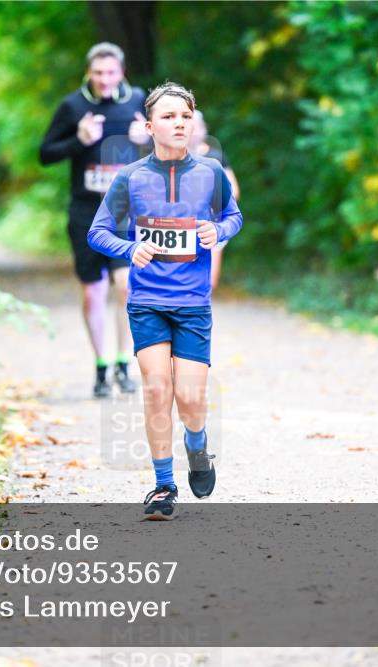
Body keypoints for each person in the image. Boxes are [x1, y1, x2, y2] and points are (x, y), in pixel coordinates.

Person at [87, 83, 243, 519]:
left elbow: (233, 216)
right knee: (157, 388)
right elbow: (98, 231)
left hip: (192, 303)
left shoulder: (210, 172)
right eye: (169, 116)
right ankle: (162, 485)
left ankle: (197, 443)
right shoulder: (130, 177)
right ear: (149, 126)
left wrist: (219, 230)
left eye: (185, 116)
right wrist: (129, 248)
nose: (179, 124)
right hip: (147, 301)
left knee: (190, 399)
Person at [40, 42, 151, 398]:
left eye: (111, 73)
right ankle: (101, 366)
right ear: (89, 72)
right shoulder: (73, 106)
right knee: (92, 292)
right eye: (99, 73)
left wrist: (146, 139)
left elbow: (168, 147)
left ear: (122, 72)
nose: (105, 80)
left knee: (126, 285)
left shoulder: (137, 101)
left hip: (125, 211)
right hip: (86, 211)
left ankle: (123, 363)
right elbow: (45, 154)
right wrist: (79, 139)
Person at [188, 110, 241, 290]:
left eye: (197, 127)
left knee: (209, 281)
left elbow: (234, 190)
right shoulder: (172, 157)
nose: (193, 131)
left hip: (211, 224)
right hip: (181, 225)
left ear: (204, 129)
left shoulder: (216, 156)